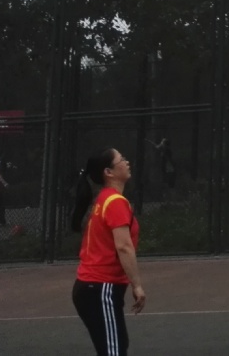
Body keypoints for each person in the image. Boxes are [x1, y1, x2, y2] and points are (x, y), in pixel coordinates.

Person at [71, 149, 146, 355]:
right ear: (108, 172)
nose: (127, 162)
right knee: (114, 351)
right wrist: (137, 285)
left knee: (116, 347)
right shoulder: (114, 202)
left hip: (94, 287)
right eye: (122, 159)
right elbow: (124, 246)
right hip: (99, 287)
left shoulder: (105, 198)